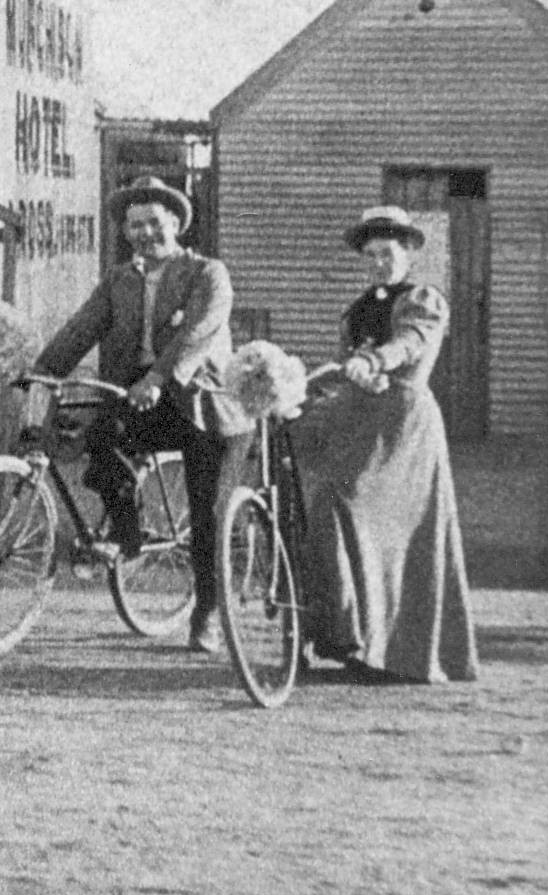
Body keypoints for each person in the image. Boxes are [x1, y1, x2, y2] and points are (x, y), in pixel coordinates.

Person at [30, 175, 251, 654]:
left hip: (203, 404)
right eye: (135, 226)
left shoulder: (207, 273)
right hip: (140, 397)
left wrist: (158, 379)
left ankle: (208, 614)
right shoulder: (119, 280)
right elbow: (82, 327)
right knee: (100, 434)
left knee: (208, 511)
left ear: (175, 223)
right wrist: (43, 370)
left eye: (154, 223)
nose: (144, 234)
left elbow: (196, 332)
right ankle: (128, 533)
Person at [292, 206, 479, 683]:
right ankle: (349, 638)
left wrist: (376, 361)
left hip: (404, 430)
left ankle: (396, 652)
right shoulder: (356, 309)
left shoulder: (423, 299)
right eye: (370, 254)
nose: (378, 262)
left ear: (409, 253)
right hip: (359, 423)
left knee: (375, 526)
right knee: (325, 504)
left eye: (388, 252)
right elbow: (341, 368)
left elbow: (411, 342)